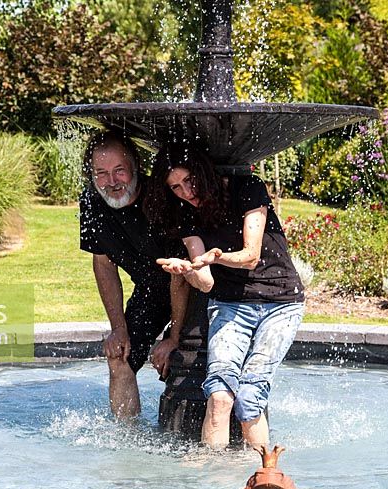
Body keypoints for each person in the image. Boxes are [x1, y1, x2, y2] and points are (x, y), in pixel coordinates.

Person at [145, 145, 305, 448]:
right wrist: (187, 269)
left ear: (203, 172)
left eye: (188, 180)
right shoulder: (185, 212)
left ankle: (264, 480)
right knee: (219, 396)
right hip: (230, 304)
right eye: (175, 187)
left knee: (249, 395)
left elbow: (251, 256)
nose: (184, 192)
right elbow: (205, 283)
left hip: (280, 303)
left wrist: (217, 257)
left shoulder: (248, 188)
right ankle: (210, 487)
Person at [79, 130, 188, 419]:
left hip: (192, 288)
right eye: (101, 173)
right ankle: (127, 442)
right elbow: (103, 264)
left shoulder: (163, 199)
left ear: (135, 167)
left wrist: (174, 336)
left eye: (119, 171)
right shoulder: (92, 203)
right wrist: (119, 329)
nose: (111, 182)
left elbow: (180, 275)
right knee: (119, 356)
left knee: (181, 360)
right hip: (151, 291)